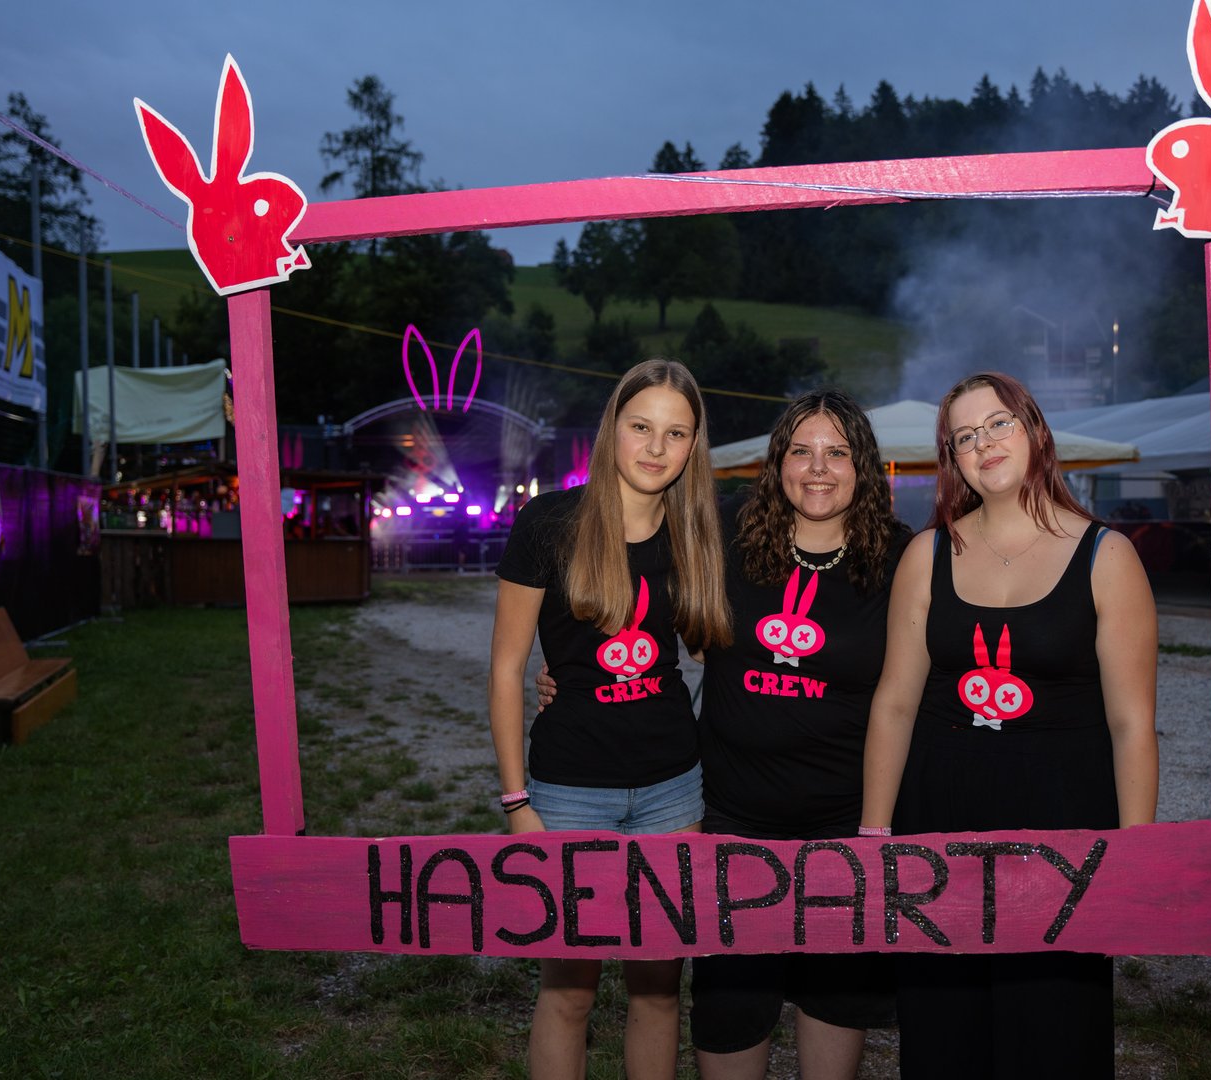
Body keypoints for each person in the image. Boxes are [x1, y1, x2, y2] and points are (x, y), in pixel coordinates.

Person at [539, 389, 911, 1079]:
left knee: (835, 1002)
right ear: (777, 463)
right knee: (732, 1009)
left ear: (863, 466)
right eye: (800, 451)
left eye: (837, 452)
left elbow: (929, 676)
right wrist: (570, 674)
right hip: (732, 817)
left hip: (845, 821)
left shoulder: (898, 556)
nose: (818, 468)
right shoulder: (726, 534)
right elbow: (641, 606)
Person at [861, 371, 1158, 1078]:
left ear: (1034, 431)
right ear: (952, 459)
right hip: (939, 828)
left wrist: (1135, 861)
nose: (983, 443)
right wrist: (875, 837)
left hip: (1063, 835)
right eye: (964, 436)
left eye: (998, 423)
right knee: (943, 1041)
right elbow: (895, 703)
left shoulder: (1107, 556)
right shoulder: (927, 554)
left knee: (1053, 1038)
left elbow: (1132, 724)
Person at [488, 358, 732, 1080]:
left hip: (674, 790)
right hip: (568, 791)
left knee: (658, 991)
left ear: (693, 446)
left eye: (676, 433)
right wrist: (517, 802)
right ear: (611, 430)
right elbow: (506, 668)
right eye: (640, 427)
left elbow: (713, 647)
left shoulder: (697, 532)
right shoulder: (549, 524)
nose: (656, 448)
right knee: (568, 993)